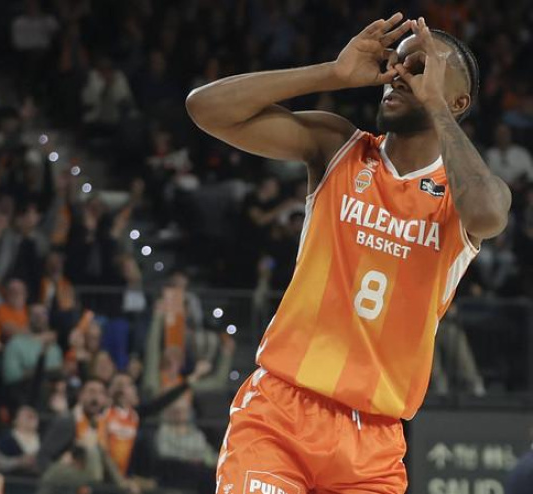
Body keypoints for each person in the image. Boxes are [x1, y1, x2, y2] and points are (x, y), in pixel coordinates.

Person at [186, 13, 511, 493]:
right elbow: (205, 109)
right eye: (396, 65)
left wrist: (437, 109)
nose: (400, 75)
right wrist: (330, 74)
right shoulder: (338, 147)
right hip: (282, 412)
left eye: (419, 69)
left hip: (374, 444)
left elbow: (488, 216)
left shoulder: (465, 194)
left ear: (458, 99)